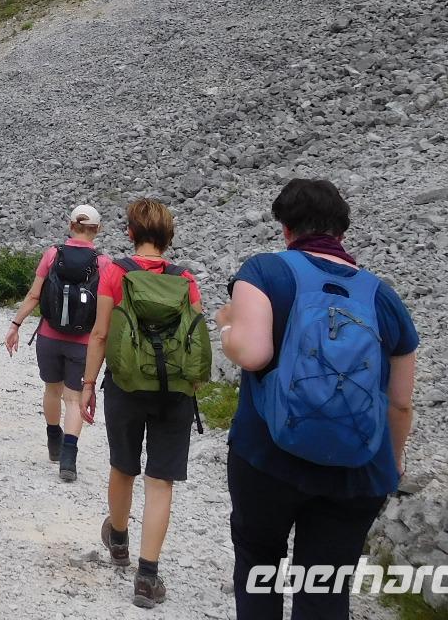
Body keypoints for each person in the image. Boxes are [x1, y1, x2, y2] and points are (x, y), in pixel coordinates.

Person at [216, 178, 418, 620]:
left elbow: (253, 354)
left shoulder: (265, 271)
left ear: (286, 228)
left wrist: (227, 328)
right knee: (324, 590)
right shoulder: (383, 296)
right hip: (356, 470)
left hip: (267, 458)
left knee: (258, 564)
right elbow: (400, 402)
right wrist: (394, 462)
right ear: (341, 232)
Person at [80, 198, 209, 609]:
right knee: (161, 481)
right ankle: (147, 576)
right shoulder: (186, 279)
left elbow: (100, 334)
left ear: (131, 233)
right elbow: (194, 339)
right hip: (175, 392)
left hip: (126, 384)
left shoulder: (115, 271)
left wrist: (87, 384)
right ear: (168, 236)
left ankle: (118, 540)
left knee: (123, 466)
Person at [4, 203, 108, 482]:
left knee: (52, 390)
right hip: (83, 343)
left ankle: (53, 442)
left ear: (70, 226)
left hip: (49, 337)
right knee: (74, 400)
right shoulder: (103, 263)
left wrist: (15, 325)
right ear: (97, 231)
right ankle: (68, 459)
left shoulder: (52, 254)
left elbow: (34, 295)